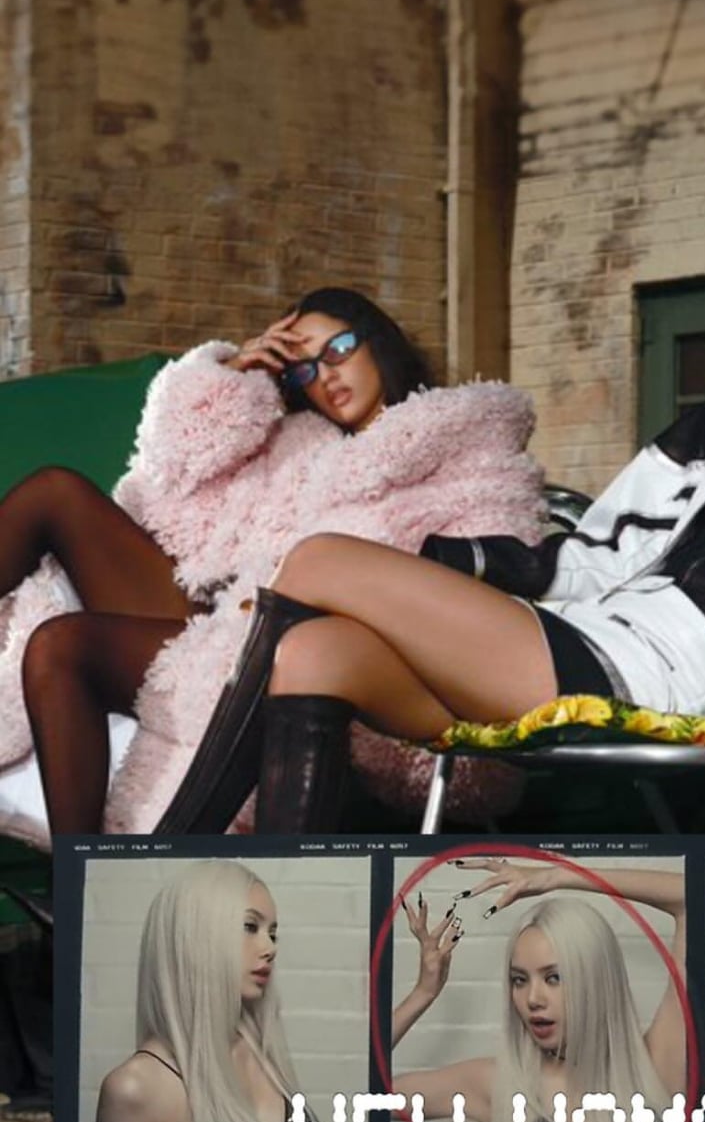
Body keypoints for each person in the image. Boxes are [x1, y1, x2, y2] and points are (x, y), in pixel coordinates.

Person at [163, 225, 705, 786]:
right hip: (600, 633)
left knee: (317, 558)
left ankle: (175, 865)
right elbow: (597, 555)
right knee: (316, 652)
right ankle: (277, 915)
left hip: (680, 675)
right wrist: (443, 561)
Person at [0, 287, 544, 844]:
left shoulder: (463, 447)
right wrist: (233, 378)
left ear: (377, 339)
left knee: (60, 644)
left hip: (317, 662)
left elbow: (488, 587)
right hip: (222, 627)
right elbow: (175, 484)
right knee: (56, 492)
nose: (325, 375)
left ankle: (77, 876)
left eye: (338, 350)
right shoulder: (296, 445)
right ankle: (81, 878)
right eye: (304, 368)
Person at [390, 858, 686, 1122]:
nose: (532, 999)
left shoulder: (653, 1066)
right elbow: (374, 1095)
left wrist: (554, 876)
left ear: (595, 979)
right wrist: (422, 994)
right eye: (519, 980)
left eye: (554, 978)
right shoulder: (498, 1084)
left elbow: (691, 898)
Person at [96, 860, 303, 1122]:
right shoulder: (133, 1089)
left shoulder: (257, 1045)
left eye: (272, 933)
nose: (270, 948)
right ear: (194, 935)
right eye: (249, 926)